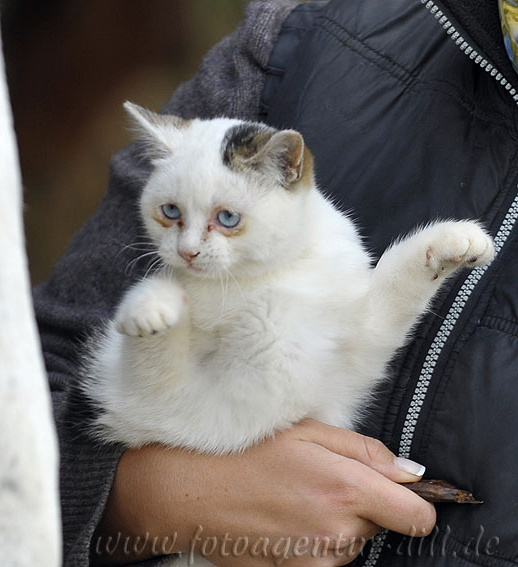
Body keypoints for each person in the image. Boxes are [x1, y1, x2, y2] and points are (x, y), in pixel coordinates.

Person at [35, 0, 518, 565]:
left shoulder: (318, 243)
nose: (188, 247)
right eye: (169, 216)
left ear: (289, 171)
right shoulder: (298, 38)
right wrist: (148, 499)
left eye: (226, 221)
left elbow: (360, 343)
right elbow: (35, 370)